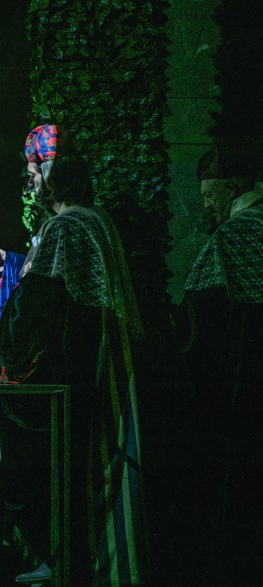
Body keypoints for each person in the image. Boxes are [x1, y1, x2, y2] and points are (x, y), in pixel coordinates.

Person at [0, 146, 148, 586]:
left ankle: (64, 558)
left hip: (73, 369)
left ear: (53, 176)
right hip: (101, 357)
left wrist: (12, 340)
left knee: (54, 464)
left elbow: (39, 306)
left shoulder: (65, 226)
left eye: (34, 172)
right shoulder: (96, 220)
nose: (31, 182)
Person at [182, 148, 262, 587]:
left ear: (232, 186)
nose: (206, 205)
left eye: (210, 195)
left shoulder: (231, 236)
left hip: (242, 380)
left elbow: (202, 319)